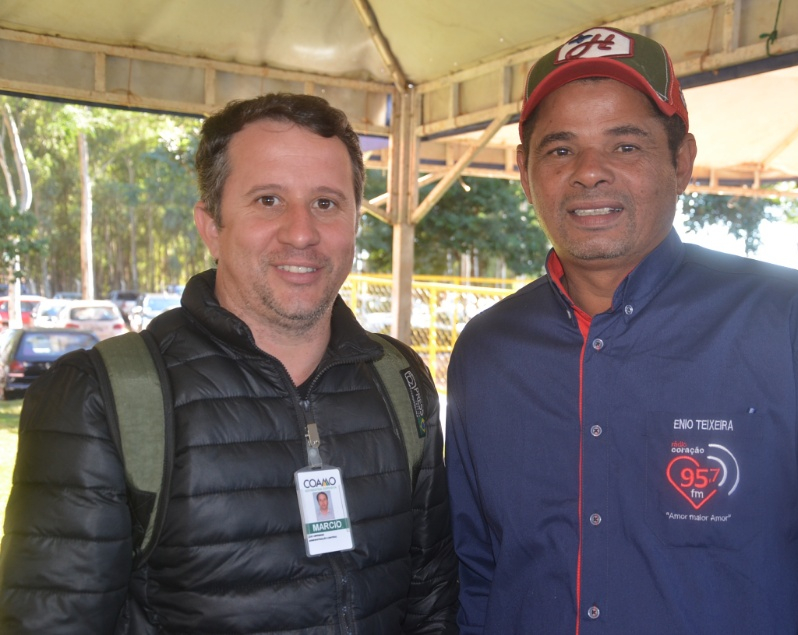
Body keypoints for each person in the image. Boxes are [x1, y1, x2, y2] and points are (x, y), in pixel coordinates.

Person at [445, 27, 798, 634]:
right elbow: (476, 572)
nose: (589, 173)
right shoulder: (488, 350)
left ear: (681, 162)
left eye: (625, 146)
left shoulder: (789, 321)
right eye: (559, 150)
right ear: (524, 173)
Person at [0, 93, 458, 634]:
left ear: (356, 222)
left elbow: (431, 603)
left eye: (326, 203)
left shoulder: (399, 380)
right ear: (211, 225)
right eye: (268, 200)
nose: (302, 232)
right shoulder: (104, 397)